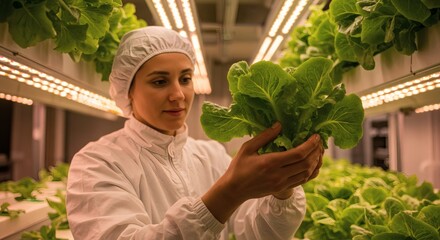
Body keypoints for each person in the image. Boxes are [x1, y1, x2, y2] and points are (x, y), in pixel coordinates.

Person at [66, 26, 324, 240]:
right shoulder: (97, 163)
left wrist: (282, 189)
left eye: (186, 79)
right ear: (128, 90)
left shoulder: (210, 155)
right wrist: (228, 193)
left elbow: (258, 234)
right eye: (160, 81)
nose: (178, 94)